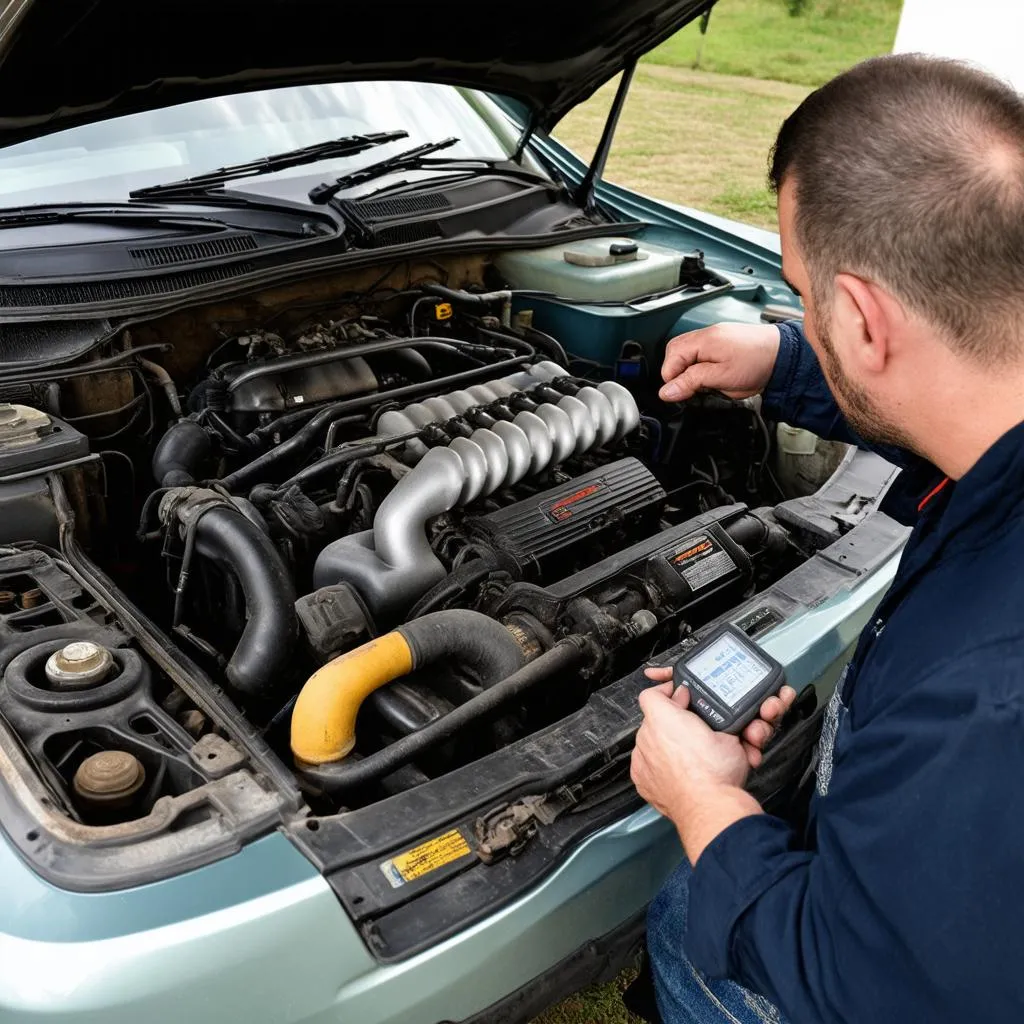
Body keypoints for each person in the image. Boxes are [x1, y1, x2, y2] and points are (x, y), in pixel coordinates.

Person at [629, 53, 1024, 1024]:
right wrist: (788, 361)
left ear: (861, 316)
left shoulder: (983, 701)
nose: (796, 310)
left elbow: (859, 987)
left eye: (801, 296)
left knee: (688, 917)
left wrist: (703, 801)